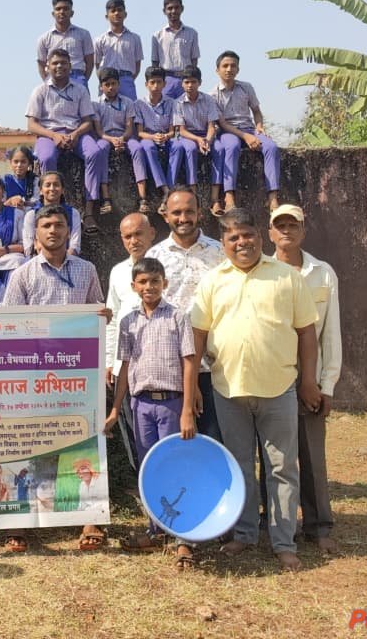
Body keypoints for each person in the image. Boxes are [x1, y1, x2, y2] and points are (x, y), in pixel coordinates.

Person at [190, 208, 321, 573]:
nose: (241, 242)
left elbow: (306, 332)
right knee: (239, 467)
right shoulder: (213, 280)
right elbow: (198, 335)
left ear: (259, 238)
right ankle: (245, 534)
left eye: (246, 235)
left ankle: (283, 542)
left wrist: (308, 380)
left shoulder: (286, 278)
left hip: (278, 388)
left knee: (281, 468)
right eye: (232, 238)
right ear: (224, 244)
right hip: (227, 390)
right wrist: (193, 388)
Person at [2, 204, 110, 552]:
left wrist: (102, 315)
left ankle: (89, 516)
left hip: (79, 377)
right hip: (35, 377)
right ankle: (22, 522)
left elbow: (97, 314)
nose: (53, 231)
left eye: (59, 225)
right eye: (46, 225)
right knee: (31, 443)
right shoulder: (23, 275)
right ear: (35, 234)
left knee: (83, 441)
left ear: (68, 231)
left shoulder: (87, 269)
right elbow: (7, 327)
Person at [106, 257, 197, 557]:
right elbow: (124, 367)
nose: (149, 286)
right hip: (141, 404)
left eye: (155, 281)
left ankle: (183, 536)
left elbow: (188, 363)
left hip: (171, 403)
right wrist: (117, 409)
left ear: (164, 284)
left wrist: (186, 410)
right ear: (133, 286)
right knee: (149, 468)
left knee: (175, 464)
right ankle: (156, 529)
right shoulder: (128, 322)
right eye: (143, 282)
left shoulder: (177, 317)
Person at [269, 204, 342, 554]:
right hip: (271, 379)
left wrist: (324, 383)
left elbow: (331, 334)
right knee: (274, 459)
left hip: (309, 379)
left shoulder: (323, 274)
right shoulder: (261, 272)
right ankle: (275, 524)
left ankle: (318, 525)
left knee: (312, 455)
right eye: (279, 225)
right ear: (270, 233)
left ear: (303, 230)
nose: (286, 231)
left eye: (292, 225)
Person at [145, 188, 224, 440]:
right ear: (165, 215)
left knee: (215, 442)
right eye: (176, 212)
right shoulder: (154, 256)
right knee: (177, 446)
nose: (183, 218)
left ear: (199, 214)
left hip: (215, 367)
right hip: (171, 370)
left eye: (189, 211)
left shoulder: (221, 253)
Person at [104, 212, 155, 462]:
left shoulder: (166, 266)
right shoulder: (117, 272)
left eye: (138, 234)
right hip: (124, 365)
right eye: (127, 236)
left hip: (159, 368)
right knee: (133, 434)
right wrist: (109, 362)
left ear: (152, 234)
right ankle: (143, 485)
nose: (133, 240)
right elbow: (111, 319)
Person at [212, 50, 282, 211]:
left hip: (249, 128)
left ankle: (272, 197)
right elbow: (222, 124)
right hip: (228, 131)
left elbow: (256, 111)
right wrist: (247, 137)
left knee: (271, 147)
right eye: (225, 66)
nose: (229, 69)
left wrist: (259, 127)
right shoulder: (213, 95)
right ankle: (229, 196)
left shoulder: (246, 87)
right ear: (217, 70)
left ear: (238, 69)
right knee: (231, 147)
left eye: (233, 66)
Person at [25, 49, 98, 176]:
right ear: (47, 67)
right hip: (49, 135)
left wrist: (76, 133)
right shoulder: (40, 91)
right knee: (47, 158)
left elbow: (88, 121)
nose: (59, 66)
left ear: (70, 67)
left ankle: (92, 196)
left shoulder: (81, 90)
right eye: (55, 63)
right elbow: (32, 125)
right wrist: (53, 136)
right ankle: (49, 194)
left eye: (63, 63)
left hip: (76, 134)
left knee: (94, 153)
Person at [172, 66, 225, 205]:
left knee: (219, 149)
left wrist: (207, 140)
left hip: (206, 134)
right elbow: (181, 130)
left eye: (193, 82)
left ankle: (215, 198)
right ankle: (193, 194)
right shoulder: (177, 103)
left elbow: (211, 126)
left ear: (199, 82)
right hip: (188, 136)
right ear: (182, 84)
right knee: (189, 150)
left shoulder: (208, 100)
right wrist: (198, 140)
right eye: (187, 82)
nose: (190, 85)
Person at [133, 66, 179, 211]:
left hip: (166, 137)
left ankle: (170, 185)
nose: (155, 86)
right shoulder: (139, 104)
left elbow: (173, 131)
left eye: (159, 82)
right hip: (148, 136)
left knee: (178, 146)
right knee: (147, 146)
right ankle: (164, 188)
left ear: (164, 84)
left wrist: (165, 136)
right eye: (152, 82)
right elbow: (139, 132)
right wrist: (153, 136)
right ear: (146, 84)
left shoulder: (171, 103)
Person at [93, 69, 138, 214]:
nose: (111, 87)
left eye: (114, 83)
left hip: (124, 136)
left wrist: (122, 139)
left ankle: (143, 196)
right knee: (100, 151)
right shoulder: (96, 104)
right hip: (105, 138)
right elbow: (99, 131)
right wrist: (112, 140)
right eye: (107, 84)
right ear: (101, 86)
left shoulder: (127, 102)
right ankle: (106, 197)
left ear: (118, 84)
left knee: (138, 148)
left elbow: (130, 128)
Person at [36, 0, 95, 87]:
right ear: (53, 13)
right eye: (58, 9)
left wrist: (83, 80)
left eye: (66, 8)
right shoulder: (44, 38)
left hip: (77, 77)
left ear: (72, 13)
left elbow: (90, 62)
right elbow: (41, 64)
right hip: (54, 78)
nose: (62, 11)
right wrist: (48, 81)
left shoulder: (83, 34)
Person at [151, 0, 201, 99]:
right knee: (165, 111)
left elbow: (194, 59)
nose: (173, 11)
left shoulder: (192, 33)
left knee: (187, 109)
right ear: (164, 11)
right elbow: (155, 62)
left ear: (182, 9)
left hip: (185, 79)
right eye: (170, 8)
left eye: (176, 7)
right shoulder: (157, 35)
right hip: (166, 79)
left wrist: (191, 79)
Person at [22, 171, 83, 256]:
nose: (52, 188)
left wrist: (62, 261)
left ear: (62, 190)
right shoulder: (31, 214)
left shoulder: (73, 213)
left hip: (67, 259)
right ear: (40, 190)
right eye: (47, 185)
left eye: (56, 185)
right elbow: (28, 246)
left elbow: (75, 245)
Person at [94, 0, 143, 100]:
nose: (117, 13)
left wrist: (128, 78)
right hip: (107, 81)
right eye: (113, 11)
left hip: (126, 80)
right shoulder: (100, 40)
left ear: (125, 14)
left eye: (120, 10)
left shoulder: (134, 38)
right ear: (107, 16)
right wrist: (104, 80)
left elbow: (137, 65)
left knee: (130, 111)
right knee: (105, 112)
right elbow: (97, 65)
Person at [2, 146, 40, 210]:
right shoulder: (5, 180)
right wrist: (10, 201)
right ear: (10, 163)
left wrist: (24, 203)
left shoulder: (35, 180)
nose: (19, 165)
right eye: (16, 162)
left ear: (29, 163)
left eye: (23, 162)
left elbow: (37, 202)